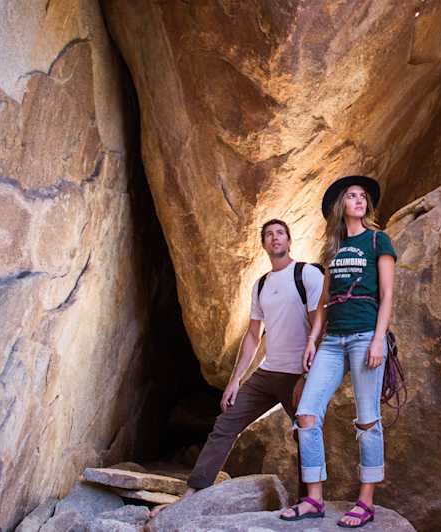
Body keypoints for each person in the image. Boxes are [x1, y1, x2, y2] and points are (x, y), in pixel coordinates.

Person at [150, 219, 323, 519]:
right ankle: (192, 493)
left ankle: (309, 502)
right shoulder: (261, 285)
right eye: (268, 235)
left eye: (280, 233)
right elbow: (253, 336)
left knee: (306, 433)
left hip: (300, 371)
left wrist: (309, 375)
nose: (274, 238)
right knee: (226, 424)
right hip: (268, 373)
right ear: (264, 244)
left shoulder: (306, 274)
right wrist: (234, 381)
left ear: (289, 241)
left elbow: (318, 326)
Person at [279, 175, 397, 528]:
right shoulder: (333, 249)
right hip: (332, 340)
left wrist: (378, 340)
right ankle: (314, 499)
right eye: (351, 196)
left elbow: (388, 295)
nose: (359, 200)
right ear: (341, 206)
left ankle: (366, 501)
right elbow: (324, 302)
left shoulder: (378, 240)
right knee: (307, 414)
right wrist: (312, 340)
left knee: (367, 419)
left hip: (365, 336)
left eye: (363, 196)